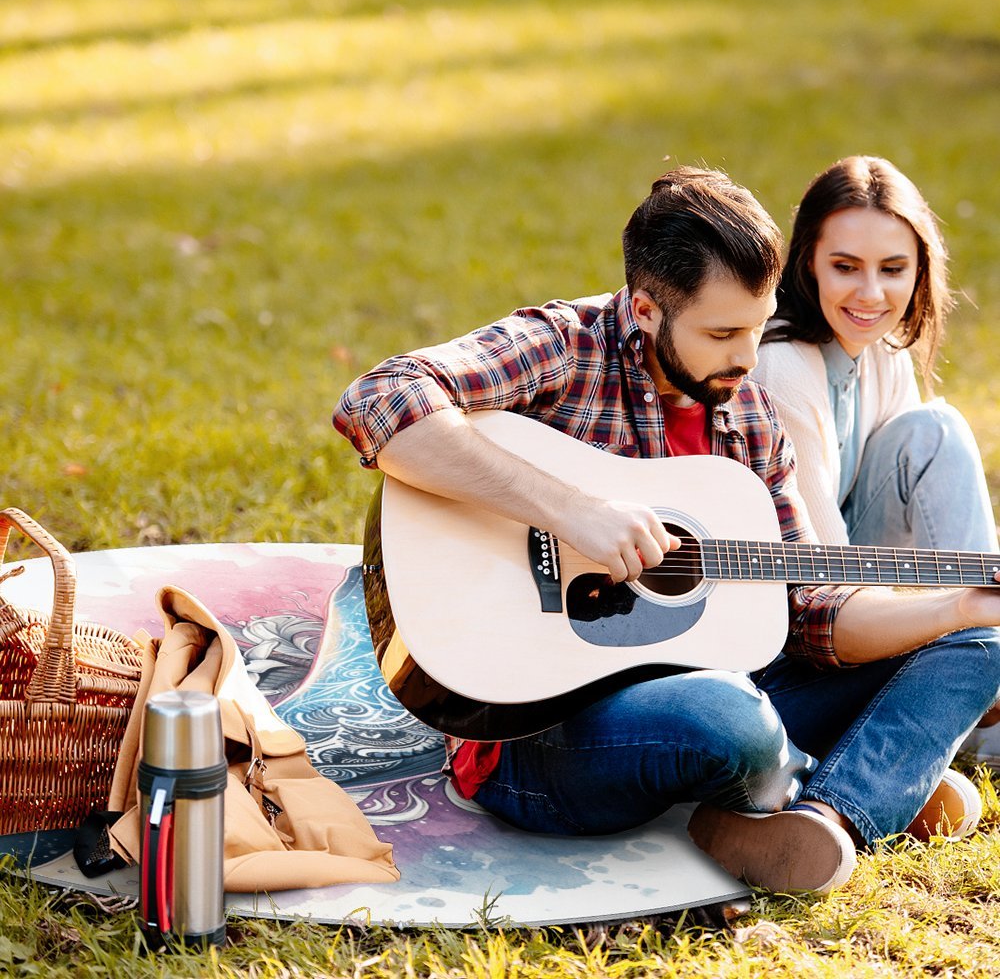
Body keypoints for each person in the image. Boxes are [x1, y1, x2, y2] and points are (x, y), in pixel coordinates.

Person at [333, 166, 1000, 895]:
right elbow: (380, 398)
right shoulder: (564, 346)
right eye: (722, 333)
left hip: (723, 688)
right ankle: (859, 774)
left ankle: (831, 815)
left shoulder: (748, 415)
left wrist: (956, 607)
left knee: (980, 644)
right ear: (646, 309)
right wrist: (569, 509)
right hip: (537, 733)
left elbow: (809, 608)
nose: (748, 359)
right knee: (728, 720)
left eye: (757, 325)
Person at [753, 155, 1000, 770]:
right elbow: (824, 581)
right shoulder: (783, 364)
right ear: (807, 260)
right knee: (937, 430)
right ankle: (976, 687)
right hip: (796, 627)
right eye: (845, 267)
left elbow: (921, 515)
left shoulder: (882, 350)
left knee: (931, 430)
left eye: (893, 269)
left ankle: (978, 674)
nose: (871, 294)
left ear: (920, 270)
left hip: (862, 588)